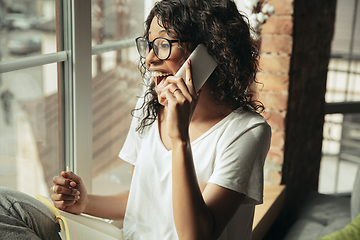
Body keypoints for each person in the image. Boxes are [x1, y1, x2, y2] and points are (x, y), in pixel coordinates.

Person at [0, 0, 271, 239]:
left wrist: (180, 141)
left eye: (164, 45)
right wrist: (85, 203)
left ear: (210, 52)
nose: (150, 58)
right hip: (124, 235)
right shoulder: (150, 104)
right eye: (149, 45)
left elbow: (197, 235)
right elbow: (141, 198)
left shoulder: (246, 132)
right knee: (5, 203)